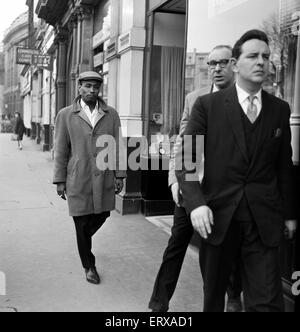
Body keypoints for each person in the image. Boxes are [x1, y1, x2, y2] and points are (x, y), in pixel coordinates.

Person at [176, 30, 297, 312]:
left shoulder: (280, 109)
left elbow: (284, 167)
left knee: (267, 301)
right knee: (214, 298)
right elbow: (188, 159)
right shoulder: (207, 106)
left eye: (266, 56)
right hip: (218, 219)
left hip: (263, 223)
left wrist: (290, 214)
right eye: (253, 56)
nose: (261, 62)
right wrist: (195, 204)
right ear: (235, 63)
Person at [149, 45, 242, 312]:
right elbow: (181, 143)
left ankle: (233, 294)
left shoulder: (244, 100)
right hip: (192, 187)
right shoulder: (194, 98)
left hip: (227, 192)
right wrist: (175, 180)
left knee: (225, 250)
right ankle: (159, 303)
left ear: (234, 64)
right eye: (211, 64)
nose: (216, 68)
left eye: (222, 62)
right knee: (177, 243)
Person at [53, 71, 126, 285]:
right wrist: (60, 180)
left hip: (103, 175)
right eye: (87, 86)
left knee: (103, 214)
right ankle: (89, 265)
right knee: (81, 221)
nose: (92, 90)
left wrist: (120, 174)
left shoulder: (111, 114)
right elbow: (60, 149)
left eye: (96, 86)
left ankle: (84, 239)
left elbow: (118, 146)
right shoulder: (66, 114)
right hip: (78, 176)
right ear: (79, 87)